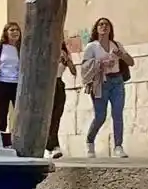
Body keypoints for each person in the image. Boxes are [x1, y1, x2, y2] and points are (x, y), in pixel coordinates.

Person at [80, 17, 132, 157]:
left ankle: (118, 146)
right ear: (96, 29)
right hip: (100, 82)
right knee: (100, 116)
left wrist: (121, 55)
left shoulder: (116, 45)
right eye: (101, 24)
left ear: (110, 28)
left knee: (117, 113)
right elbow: (84, 67)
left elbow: (131, 62)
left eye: (107, 24)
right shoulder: (92, 46)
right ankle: (90, 141)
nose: (104, 27)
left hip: (117, 81)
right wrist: (100, 63)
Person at [0, 21, 23, 147]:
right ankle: (0, 143)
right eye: (11, 30)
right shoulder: (0, 47)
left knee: (20, 115)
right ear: (6, 33)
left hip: (17, 85)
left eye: (17, 30)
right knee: (2, 115)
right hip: (2, 84)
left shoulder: (21, 47)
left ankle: (17, 141)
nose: (15, 32)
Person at [46, 38, 79, 158]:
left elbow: (74, 71)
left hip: (59, 84)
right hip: (47, 85)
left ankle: (53, 145)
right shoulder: (46, 51)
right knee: (48, 117)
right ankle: (50, 146)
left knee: (56, 116)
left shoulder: (63, 53)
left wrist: (67, 60)